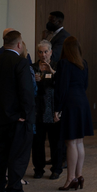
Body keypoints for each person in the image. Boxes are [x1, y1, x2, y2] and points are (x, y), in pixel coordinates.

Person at [0, 30, 38, 192]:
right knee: (18, 154)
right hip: (17, 118)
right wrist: (26, 114)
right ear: (19, 44)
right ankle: (14, 189)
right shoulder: (20, 63)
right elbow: (26, 92)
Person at [56, 36, 94, 191]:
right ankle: (79, 175)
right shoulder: (83, 63)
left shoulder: (64, 64)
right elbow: (85, 85)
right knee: (79, 141)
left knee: (70, 142)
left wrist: (57, 109)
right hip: (82, 102)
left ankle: (70, 178)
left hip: (70, 103)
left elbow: (61, 88)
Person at [31, 40, 62, 179]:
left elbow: (62, 84)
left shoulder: (57, 66)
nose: (43, 55)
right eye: (40, 52)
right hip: (38, 109)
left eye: (46, 51)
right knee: (38, 142)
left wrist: (52, 72)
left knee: (55, 141)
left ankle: (56, 169)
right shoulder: (33, 67)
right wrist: (34, 81)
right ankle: (38, 168)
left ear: (51, 52)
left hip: (53, 109)